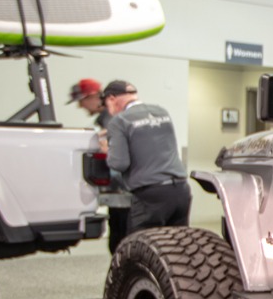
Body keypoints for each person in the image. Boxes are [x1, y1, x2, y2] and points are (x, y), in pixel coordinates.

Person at [102, 80, 190, 235]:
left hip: (151, 196)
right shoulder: (161, 112)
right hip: (181, 191)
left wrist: (107, 150)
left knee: (139, 249)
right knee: (176, 247)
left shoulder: (119, 121)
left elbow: (119, 163)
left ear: (111, 99)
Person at [69, 78, 131, 251]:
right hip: (119, 189)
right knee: (118, 238)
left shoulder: (111, 118)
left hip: (124, 189)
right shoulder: (107, 119)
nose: (80, 106)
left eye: (82, 101)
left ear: (94, 97)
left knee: (121, 240)